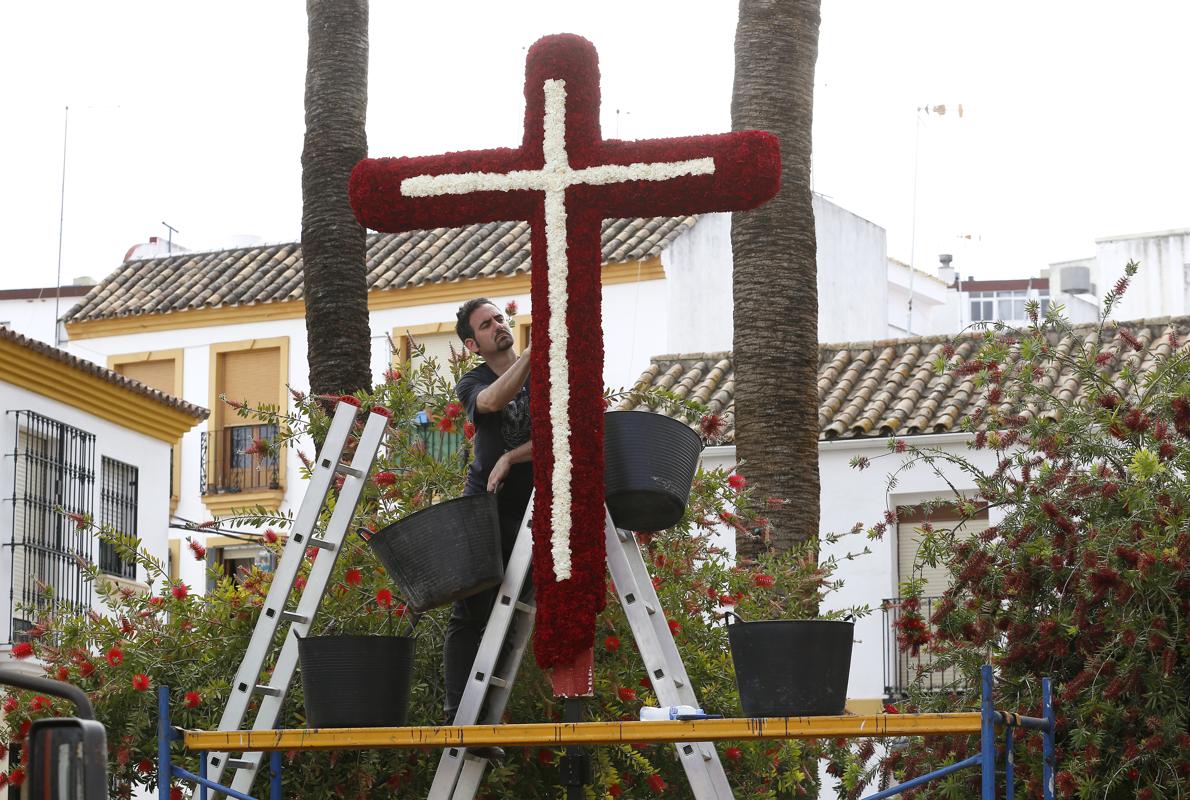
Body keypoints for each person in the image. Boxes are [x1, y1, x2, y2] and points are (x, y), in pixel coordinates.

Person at [444, 298, 533, 757]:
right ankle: (459, 718)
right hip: (484, 509)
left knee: (514, 615)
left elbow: (563, 436)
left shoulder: (544, 373)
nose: (499, 326)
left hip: (532, 514)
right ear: (472, 343)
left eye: (500, 318)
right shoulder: (474, 381)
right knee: (470, 613)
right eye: (487, 324)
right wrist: (536, 354)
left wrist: (510, 456)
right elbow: (493, 401)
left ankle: (485, 721)